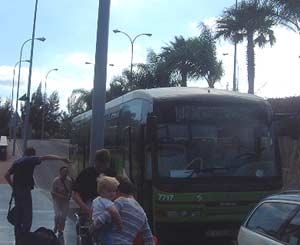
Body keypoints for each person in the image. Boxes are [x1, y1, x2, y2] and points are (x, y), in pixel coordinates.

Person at [4, 147, 71, 245]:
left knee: (18, 217)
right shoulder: (30, 159)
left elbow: (6, 175)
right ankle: (25, 240)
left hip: (17, 193)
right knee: (27, 217)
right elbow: (46, 157)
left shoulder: (17, 161)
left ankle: (18, 240)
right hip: (25, 192)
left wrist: (13, 187)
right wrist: (61, 158)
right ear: (32, 154)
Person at [72, 149, 115, 245]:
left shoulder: (111, 174)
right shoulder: (86, 173)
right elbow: (75, 193)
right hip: (90, 204)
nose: (102, 167)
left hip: (108, 205)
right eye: (100, 164)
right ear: (96, 162)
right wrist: (86, 208)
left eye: (105, 164)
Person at [99, 177, 154, 245]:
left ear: (118, 192)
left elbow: (102, 219)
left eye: (113, 191)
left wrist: (91, 229)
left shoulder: (121, 201)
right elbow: (150, 240)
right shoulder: (143, 213)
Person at [91, 176, 123, 244]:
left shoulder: (96, 200)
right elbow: (114, 212)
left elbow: (92, 211)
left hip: (97, 225)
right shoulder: (107, 201)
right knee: (109, 240)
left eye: (114, 191)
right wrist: (120, 225)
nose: (112, 193)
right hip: (105, 225)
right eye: (109, 191)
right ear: (100, 191)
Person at [51, 166, 73, 237]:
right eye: (64, 172)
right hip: (57, 200)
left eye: (66, 172)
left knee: (63, 216)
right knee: (57, 215)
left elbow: (71, 191)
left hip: (65, 201)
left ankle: (61, 230)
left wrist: (69, 196)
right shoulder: (56, 180)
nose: (65, 173)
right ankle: (56, 225)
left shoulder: (69, 181)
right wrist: (60, 196)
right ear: (60, 172)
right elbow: (52, 191)